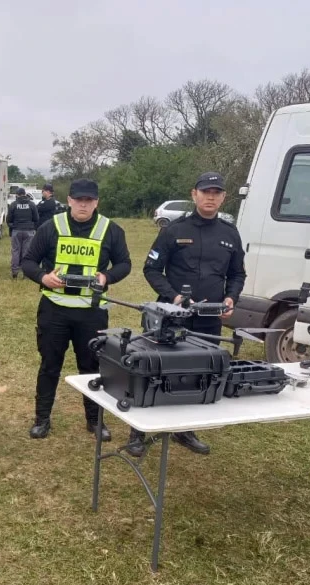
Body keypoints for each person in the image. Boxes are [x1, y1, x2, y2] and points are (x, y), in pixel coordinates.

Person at [127, 171, 246, 456]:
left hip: (209, 317)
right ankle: (138, 432)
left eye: (216, 193)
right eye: (206, 192)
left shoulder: (230, 233)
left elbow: (238, 274)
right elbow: (151, 269)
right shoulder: (174, 229)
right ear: (194, 194)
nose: (211, 197)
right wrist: (174, 297)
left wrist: (231, 298)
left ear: (223, 198)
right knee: (153, 369)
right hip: (172, 315)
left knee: (201, 370)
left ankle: (186, 429)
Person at [21, 178, 131, 442]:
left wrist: (106, 277)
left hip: (91, 312)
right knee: (49, 365)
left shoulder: (111, 230)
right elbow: (28, 261)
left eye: (89, 200)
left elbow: (124, 264)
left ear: (96, 202)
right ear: (69, 200)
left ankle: (95, 421)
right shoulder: (51, 227)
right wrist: (43, 277)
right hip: (54, 309)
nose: (83, 204)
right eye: (78, 199)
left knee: (92, 367)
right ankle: (42, 419)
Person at [6, 187, 39, 279]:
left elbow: (8, 219)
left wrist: (12, 226)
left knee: (15, 251)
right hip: (29, 230)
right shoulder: (31, 204)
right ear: (25, 194)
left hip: (16, 230)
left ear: (17, 195)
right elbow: (36, 218)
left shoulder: (13, 204)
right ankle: (26, 273)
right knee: (26, 252)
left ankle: (15, 272)